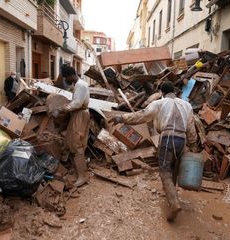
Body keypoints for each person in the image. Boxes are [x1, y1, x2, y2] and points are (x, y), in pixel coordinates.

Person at [110, 81, 198, 222]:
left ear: (162, 93)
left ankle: (174, 203)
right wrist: (193, 144)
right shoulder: (186, 105)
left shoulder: (159, 103)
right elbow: (191, 128)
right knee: (174, 167)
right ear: (174, 92)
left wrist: (122, 118)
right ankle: (172, 196)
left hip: (168, 137)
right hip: (182, 139)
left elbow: (142, 115)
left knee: (164, 170)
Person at [52, 65, 90, 187]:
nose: (65, 80)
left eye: (65, 78)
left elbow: (77, 103)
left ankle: (82, 176)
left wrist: (61, 109)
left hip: (80, 114)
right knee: (71, 142)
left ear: (70, 76)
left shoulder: (80, 85)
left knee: (76, 143)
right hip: (78, 114)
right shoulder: (79, 84)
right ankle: (79, 169)